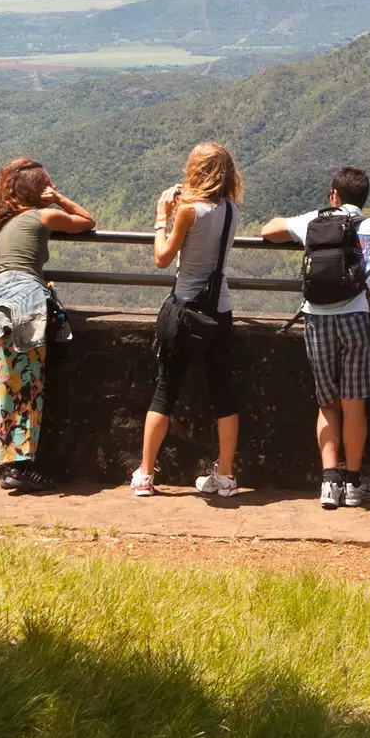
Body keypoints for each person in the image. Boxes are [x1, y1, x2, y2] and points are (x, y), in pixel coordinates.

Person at [260, 166, 370, 509]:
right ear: (363, 198)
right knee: (354, 403)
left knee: (327, 403)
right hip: (358, 317)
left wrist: (301, 220)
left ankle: (329, 481)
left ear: (335, 195)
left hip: (317, 319)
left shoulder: (314, 221)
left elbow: (269, 230)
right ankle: (353, 483)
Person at [0, 158, 95, 495]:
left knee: (4, 385)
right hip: (25, 304)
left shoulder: (3, 225)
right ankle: (22, 467)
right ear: (39, 190)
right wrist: (59, 199)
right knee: (28, 385)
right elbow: (87, 221)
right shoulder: (43, 215)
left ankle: (11, 462)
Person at [135, 142, 243, 499]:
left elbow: (163, 258)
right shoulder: (233, 210)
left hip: (184, 310)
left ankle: (145, 474)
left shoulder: (188, 212)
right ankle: (225, 475)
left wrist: (161, 216)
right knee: (224, 394)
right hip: (219, 311)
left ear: (196, 171)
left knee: (166, 391)